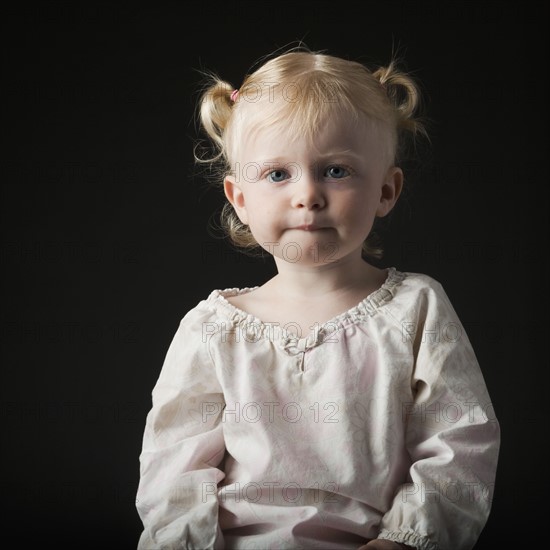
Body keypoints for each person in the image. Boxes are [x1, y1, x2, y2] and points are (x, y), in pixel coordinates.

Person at [135, 46, 500, 550]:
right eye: (277, 174)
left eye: (336, 170)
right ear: (239, 197)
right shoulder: (213, 328)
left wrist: (402, 541)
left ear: (386, 191)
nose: (307, 194)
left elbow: (459, 445)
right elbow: (173, 466)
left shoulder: (416, 308)